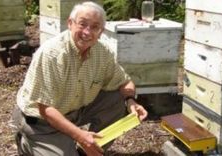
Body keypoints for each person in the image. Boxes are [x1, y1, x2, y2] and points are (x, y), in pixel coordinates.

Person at [12, 1, 148, 156]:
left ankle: (89, 148)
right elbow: (46, 110)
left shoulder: (102, 53)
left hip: (74, 112)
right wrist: (80, 135)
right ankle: (27, 143)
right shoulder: (52, 54)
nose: (87, 32)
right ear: (70, 23)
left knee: (117, 97)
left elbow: (124, 82)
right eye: (82, 24)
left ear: (101, 31)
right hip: (41, 123)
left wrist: (131, 101)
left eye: (95, 27)